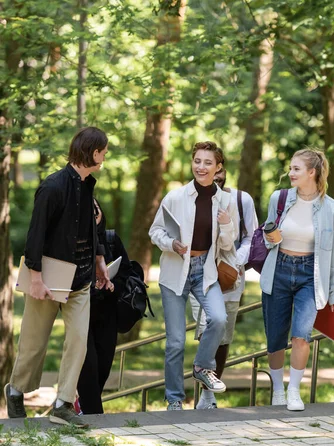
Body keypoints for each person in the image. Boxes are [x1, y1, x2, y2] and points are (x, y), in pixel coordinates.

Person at [4, 127, 111, 427]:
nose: (105, 155)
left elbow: (92, 229)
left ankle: (63, 403)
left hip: (82, 279)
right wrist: (35, 278)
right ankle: (15, 391)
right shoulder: (52, 187)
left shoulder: (89, 184)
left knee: (78, 342)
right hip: (49, 278)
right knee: (34, 343)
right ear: (92, 152)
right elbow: (35, 236)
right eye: (103, 150)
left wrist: (100, 261)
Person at [149, 141, 238, 410]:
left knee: (219, 319)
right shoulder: (175, 197)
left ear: (218, 167)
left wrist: (227, 225)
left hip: (206, 271)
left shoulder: (225, 200)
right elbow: (155, 232)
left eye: (208, 162)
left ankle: (202, 366)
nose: (201, 167)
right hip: (176, 271)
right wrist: (171, 245)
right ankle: (175, 400)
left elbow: (226, 245)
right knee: (175, 341)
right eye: (197, 161)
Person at [261, 148, 334, 411]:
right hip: (279, 269)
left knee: (301, 336)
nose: (290, 173)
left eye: (296, 169)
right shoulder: (279, 198)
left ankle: (294, 391)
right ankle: (277, 390)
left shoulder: (332, 209)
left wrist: (333, 292)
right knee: (275, 337)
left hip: (311, 274)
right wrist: (270, 237)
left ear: (312, 172)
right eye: (291, 168)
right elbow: (266, 234)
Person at [189, 166, 258, 409]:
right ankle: (206, 394)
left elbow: (252, 236)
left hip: (229, 277)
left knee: (223, 335)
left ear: (223, 170)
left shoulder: (241, 199)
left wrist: (236, 261)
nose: (213, 177)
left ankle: (208, 396)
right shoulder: (189, 199)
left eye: (217, 171)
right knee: (207, 329)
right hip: (198, 275)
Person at [76, 200, 132, 415]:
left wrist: (110, 284)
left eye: (95, 209)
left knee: (103, 365)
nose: (93, 213)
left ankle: (83, 406)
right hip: (80, 310)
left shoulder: (110, 239)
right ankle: (94, 416)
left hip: (108, 310)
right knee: (87, 363)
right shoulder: (73, 241)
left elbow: (126, 272)